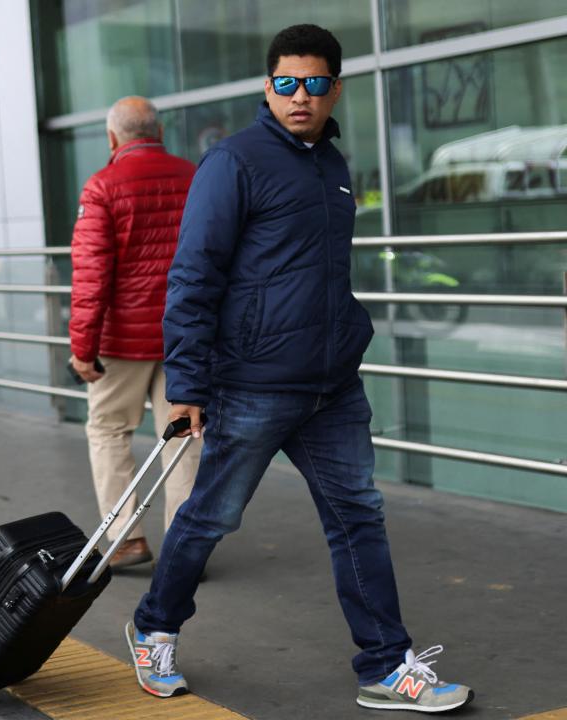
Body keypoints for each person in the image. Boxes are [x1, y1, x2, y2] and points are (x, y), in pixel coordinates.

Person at [125, 25, 474, 713]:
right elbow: (194, 275)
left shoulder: (334, 167)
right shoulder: (235, 162)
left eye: (315, 83)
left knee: (359, 517)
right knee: (210, 518)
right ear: (268, 87)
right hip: (253, 382)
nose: (300, 97)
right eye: (286, 83)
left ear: (335, 88)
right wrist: (188, 385)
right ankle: (153, 627)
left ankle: (385, 664)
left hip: (332, 387)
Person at [70, 96, 203, 569]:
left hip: (123, 343)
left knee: (108, 429)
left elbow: (90, 276)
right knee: (185, 436)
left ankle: (125, 539)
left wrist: (83, 349)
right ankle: (186, 548)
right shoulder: (194, 179)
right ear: (159, 133)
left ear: (112, 138)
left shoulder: (103, 186)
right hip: (185, 337)